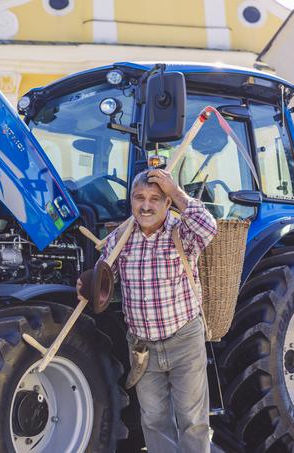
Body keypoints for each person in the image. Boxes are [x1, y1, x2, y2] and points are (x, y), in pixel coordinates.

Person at [90, 168, 217, 452]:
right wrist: (88, 284)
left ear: (167, 203)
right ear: (131, 201)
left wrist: (175, 190)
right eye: (139, 198)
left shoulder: (181, 232)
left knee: (193, 422)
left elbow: (208, 226)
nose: (146, 206)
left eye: (155, 198)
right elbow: (105, 277)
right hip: (143, 346)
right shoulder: (120, 238)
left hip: (184, 339)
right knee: (154, 420)